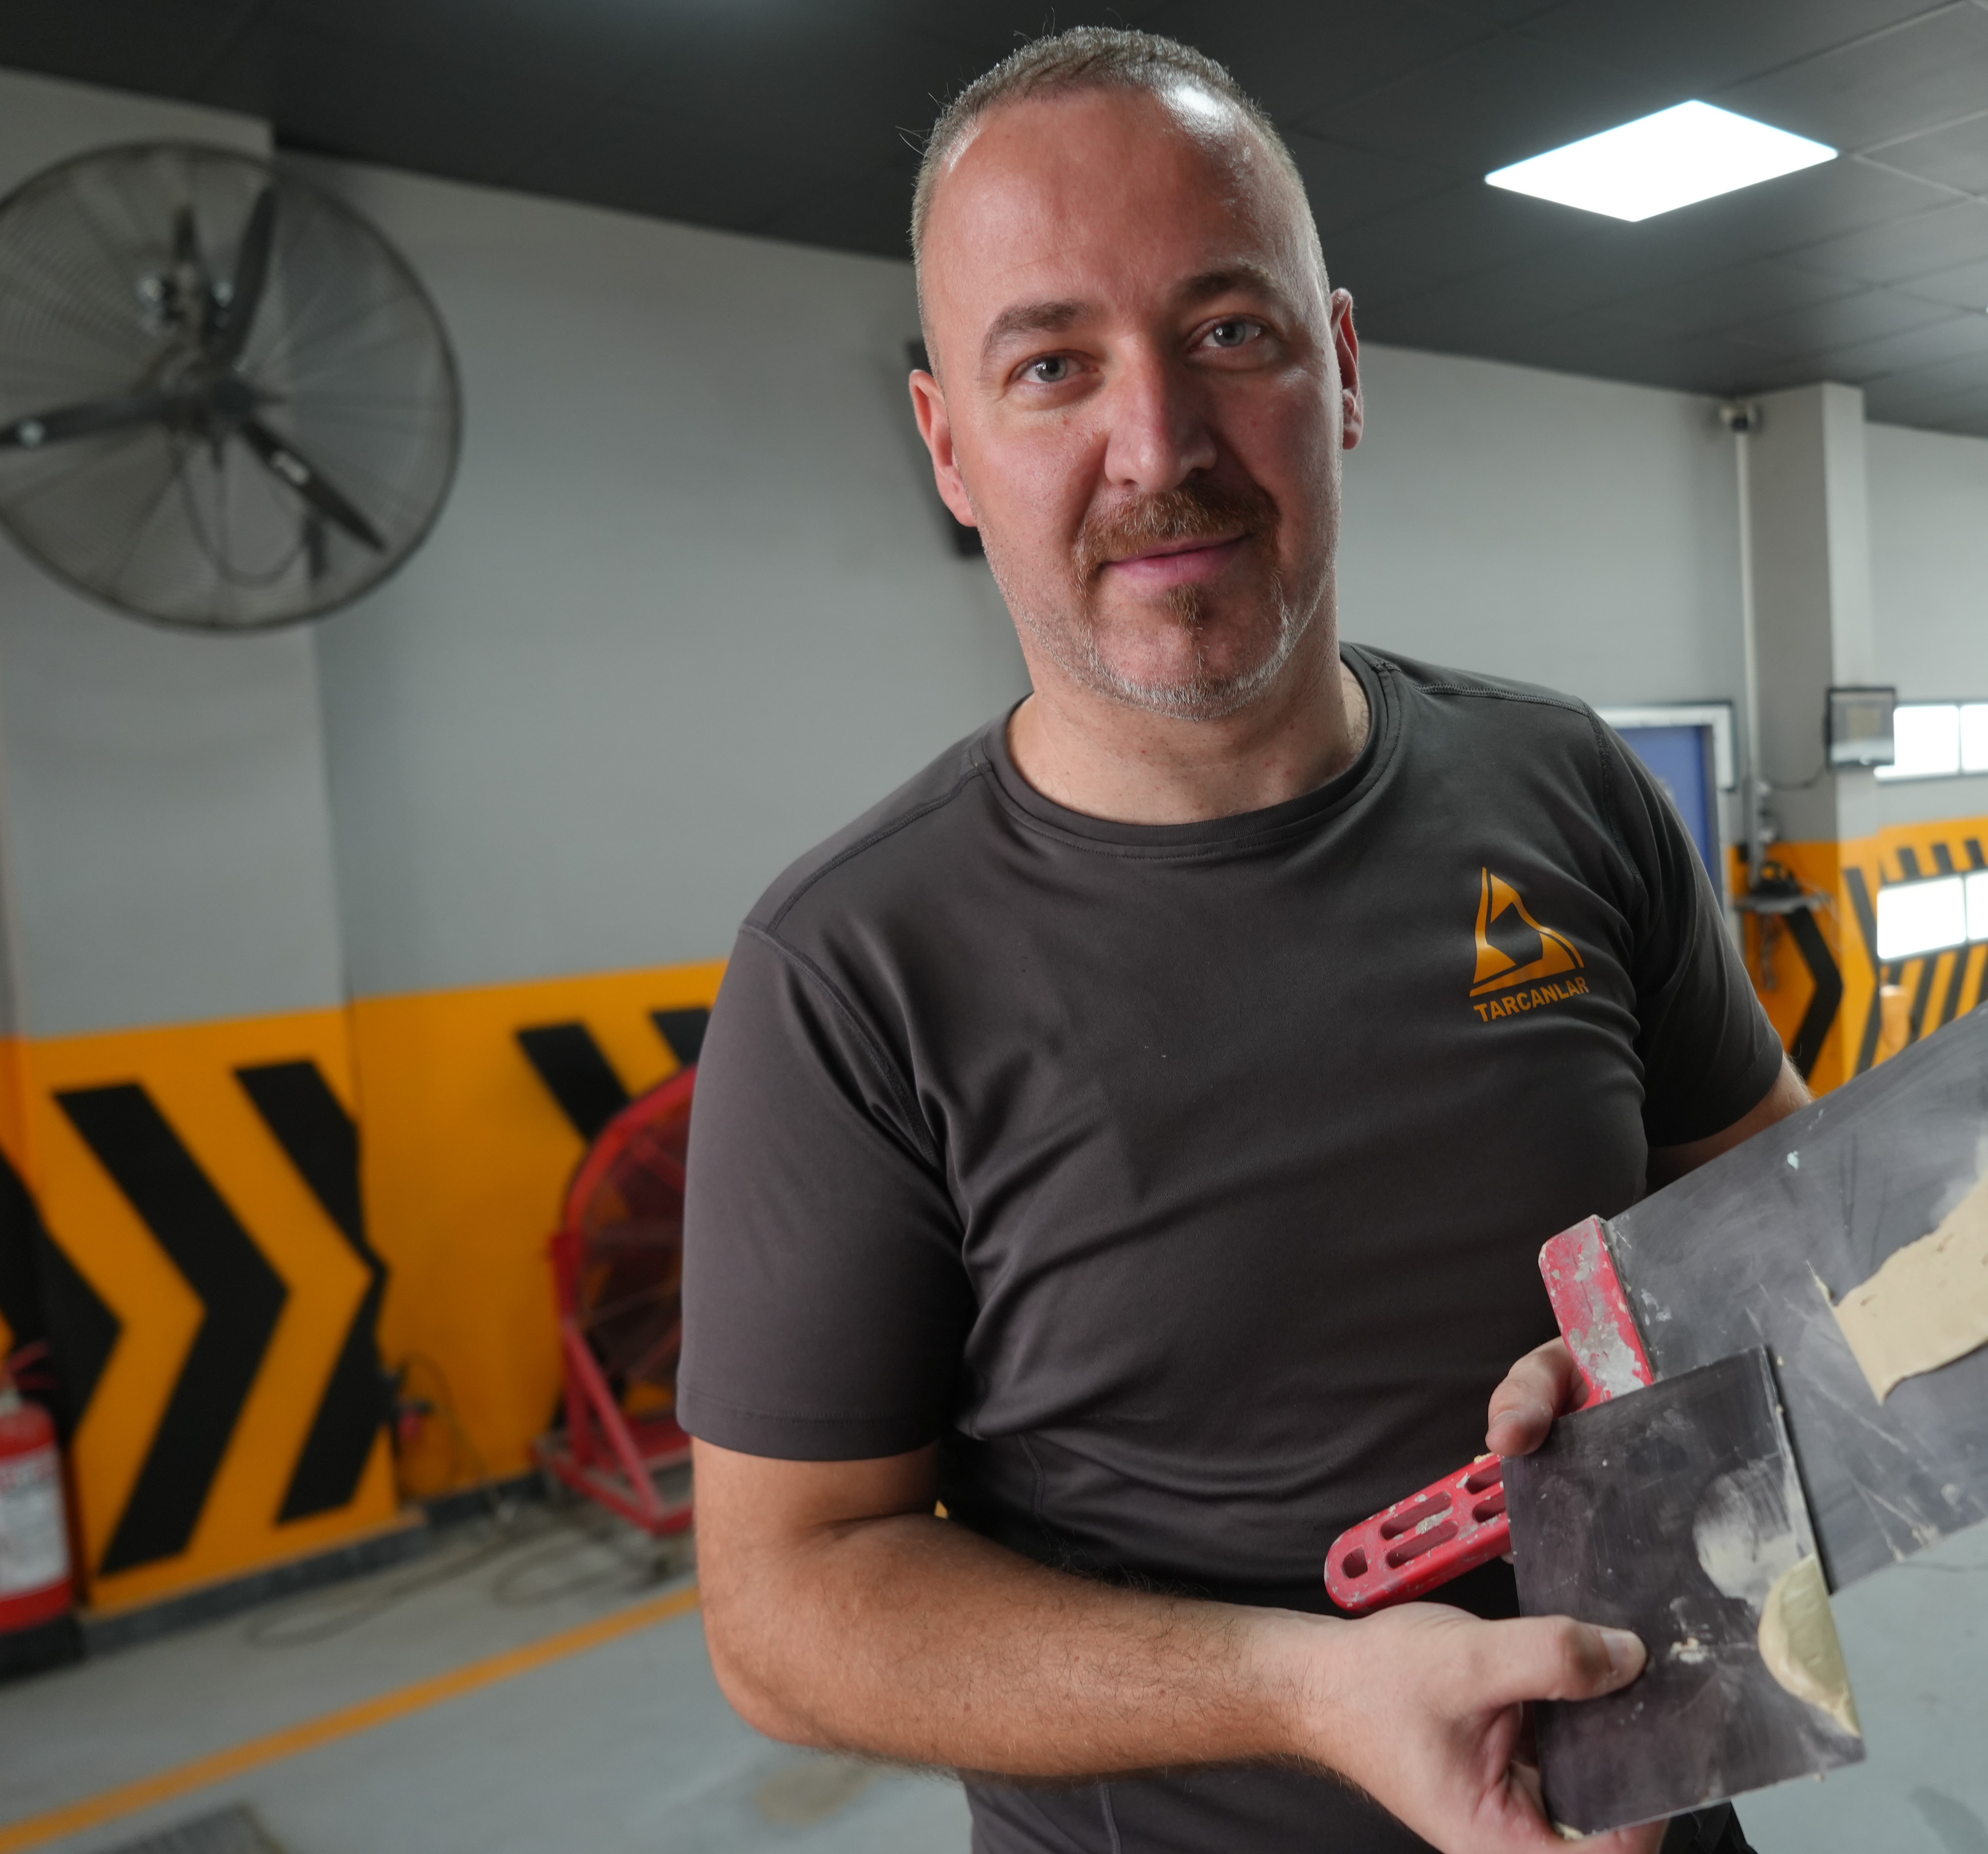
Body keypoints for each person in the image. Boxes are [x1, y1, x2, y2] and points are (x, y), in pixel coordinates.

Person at [675, 29, 1809, 1854]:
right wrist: (1298, 1687)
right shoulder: (850, 974)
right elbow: (785, 1608)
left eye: (1225, 331)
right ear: (949, 445)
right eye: (1053, 365)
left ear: (1339, 368)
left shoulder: (1567, 786)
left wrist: (1668, 1343)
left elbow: (1778, 1207)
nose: (1158, 447)